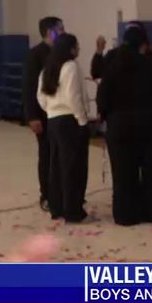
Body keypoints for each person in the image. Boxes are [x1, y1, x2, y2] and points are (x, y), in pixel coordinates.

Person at [96, 22, 152, 226]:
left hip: (121, 125)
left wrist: (106, 116)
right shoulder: (151, 65)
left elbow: (103, 98)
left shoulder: (113, 66)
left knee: (123, 173)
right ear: (143, 45)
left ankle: (126, 214)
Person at [37, 33, 90, 223]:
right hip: (70, 120)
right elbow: (73, 96)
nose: (79, 49)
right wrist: (82, 120)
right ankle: (73, 210)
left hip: (53, 120)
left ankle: (57, 207)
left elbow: (41, 98)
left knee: (56, 166)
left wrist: (52, 110)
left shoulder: (47, 69)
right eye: (77, 46)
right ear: (70, 48)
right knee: (73, 167)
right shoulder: (71, 66)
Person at [22, 16, 64, 212]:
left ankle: (61, 192)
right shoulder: (35, 55)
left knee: (61, 155)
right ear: (50, 32)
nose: (63, 32)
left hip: (59, 113)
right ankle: (46, 194)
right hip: (42, 114)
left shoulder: (61, 53)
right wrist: (32, 116)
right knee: (46, 154)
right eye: (60, 29)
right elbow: (29, 87)